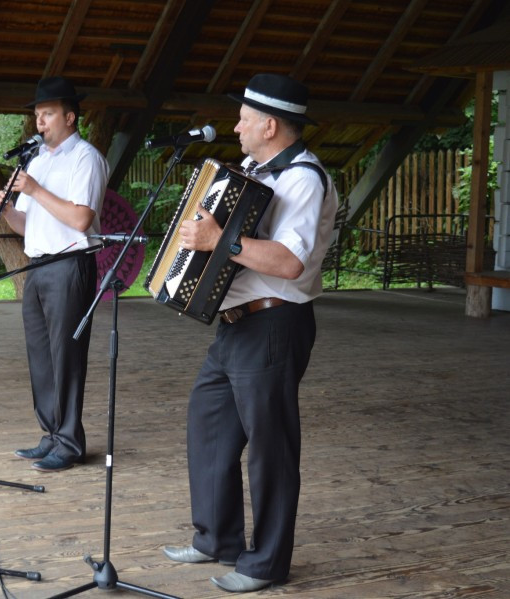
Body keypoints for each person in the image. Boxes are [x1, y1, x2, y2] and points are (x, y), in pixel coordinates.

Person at [161, 73, 337, 593]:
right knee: (208, 422)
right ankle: (217, 538)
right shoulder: (261, 172)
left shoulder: (304, 178)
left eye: (243, 117)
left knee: (271, 448)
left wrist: (221, 240)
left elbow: (288, 261)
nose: (235, 126)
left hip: (275, 323)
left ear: (270, 123)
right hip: (238, 323)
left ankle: (266, 565)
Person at [0, 76, 109, 472]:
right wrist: (6, 210)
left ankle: (71, 442)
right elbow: (28, 225)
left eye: (47, 114)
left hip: (70, 263)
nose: (39, 122)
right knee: (41, 354)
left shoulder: (85, 158)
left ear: (70, 117)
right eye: (37, 115)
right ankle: (52, 433)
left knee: (66, 354)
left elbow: (80, 218)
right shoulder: (37, 161)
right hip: (39, 264)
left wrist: (36, 189)